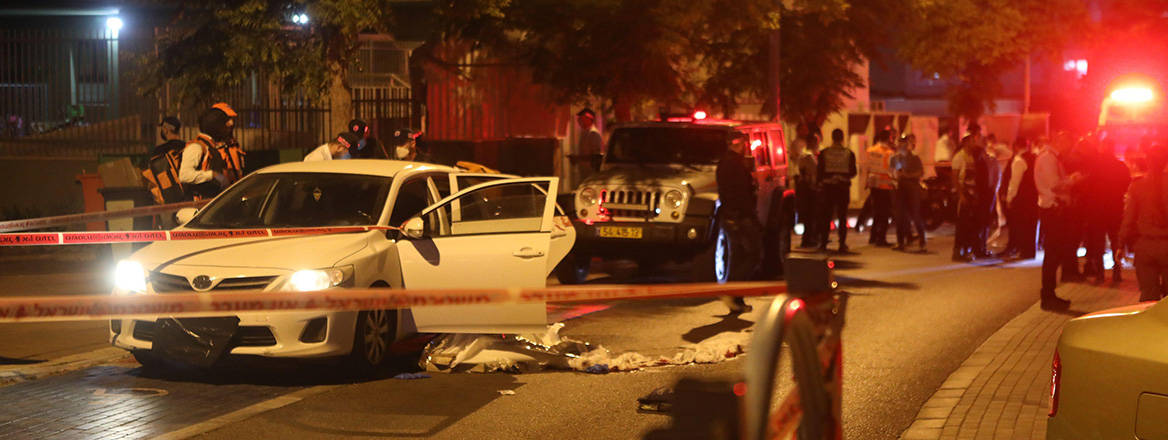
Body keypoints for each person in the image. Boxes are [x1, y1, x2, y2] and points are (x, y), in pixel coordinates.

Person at [1035, 133, 1085, 310]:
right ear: (1059, 141)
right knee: (1052, 255)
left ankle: (1049, 294)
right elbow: (1055, 185)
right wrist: (1073, 180)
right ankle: (1048, 296)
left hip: (1054, 210)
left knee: (1054, 254)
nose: (1069, 148)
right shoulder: (1048, 158)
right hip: (1053, 210)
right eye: (1068, 143)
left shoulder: (1050, 157)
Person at [717, 134, 762, 313]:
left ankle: (736, 300)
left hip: (731, 215)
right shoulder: (734, 164)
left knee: (738, 255)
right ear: (739, 144)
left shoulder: (726, 162)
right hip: (740, 216)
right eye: (743, 143)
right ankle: (732, 292)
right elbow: (740, 193)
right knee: (753, 254)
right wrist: (750, 215)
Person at [1121, 144, 1168, 301]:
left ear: (1147, 162)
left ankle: (1149, 325)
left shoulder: (1137, 186)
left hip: (1145, 246)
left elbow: (1128, 219)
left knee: (1148, 296)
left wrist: (1120, 244)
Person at [1085, 138, 1132, 283]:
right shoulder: (1120, 166)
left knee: (1098, 242)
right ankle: (1116, 272)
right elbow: (1127, 184)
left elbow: (1088, 185)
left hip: (1097, 208)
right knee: (1115, 241)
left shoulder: (1094, 166)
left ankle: (1100, 274)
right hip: (1114, 208)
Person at [179, 103, 240, 200]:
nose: (230, 125)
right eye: (224, 124)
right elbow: (184, 175)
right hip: (197, 207)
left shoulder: (211, 146)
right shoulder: (196, 147)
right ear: (215, 127)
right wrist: (212, 175)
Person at [817, 129, 857, 253]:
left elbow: (819, 171)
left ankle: (823, 243)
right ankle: (842, 244)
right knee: (842, 216)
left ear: (832, 137)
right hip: (843, 188)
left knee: (826, 216)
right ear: (842, 138)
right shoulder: (849, 153)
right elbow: (853, 172)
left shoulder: (824, 153)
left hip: (828, 188)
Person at [951, 125, 987, 261]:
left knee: (971, 225)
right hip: (964, 195)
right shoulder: (959, 157)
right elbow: (954, 178)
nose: (974, 143)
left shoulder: (973, 156)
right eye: (971, 141)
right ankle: (957, 252)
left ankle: (967, 250)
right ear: (965, 141)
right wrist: (961, 195)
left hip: (972, 195)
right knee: (962, 225)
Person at [1005, 138, 1039, 259]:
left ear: (1015, 147)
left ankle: (1025, 251)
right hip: (1034, 197)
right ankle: (1030, 251)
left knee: (1023, 225)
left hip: (1023, 198)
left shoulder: (1018, 160)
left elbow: (1014, 182)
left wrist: (1009, 198)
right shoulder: (1034, 157)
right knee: (1032, 225)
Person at [892, 134, 927, 252]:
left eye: (903, 143)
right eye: (899, 143)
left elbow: (921, 173)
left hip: (912, 188)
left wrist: (908, 175)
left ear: (907, 145)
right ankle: (900, 242)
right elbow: (891, 171)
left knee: (915, 215)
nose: (901, 145)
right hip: (900, 189)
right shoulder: (895, 158)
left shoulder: (914, 158)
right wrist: (895, 176)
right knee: (900, 216)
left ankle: (922, 241)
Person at [866, 130, 896, 246]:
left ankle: (873, 237)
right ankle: (881, 239)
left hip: (873, 184)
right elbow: (892, 170)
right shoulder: (889, 153)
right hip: (884, 185)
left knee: (877, 212)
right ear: (888, 138)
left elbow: (867, 167)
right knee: (884, 213)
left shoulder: (870, 150)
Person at [793, 132, 820, 248]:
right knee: (810, 215)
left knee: (810, 216)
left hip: (808, 189)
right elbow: (809, 173)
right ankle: (808, 239)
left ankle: (809, 238)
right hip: (809, 189)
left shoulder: (807, 155)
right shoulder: (807, 156)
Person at [571, 108, 604, 184]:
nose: (579, 122)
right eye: (579, 119)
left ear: (588, 119)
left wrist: (578, 158)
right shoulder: (584, 133)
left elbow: (595, 157)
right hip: (584, 173)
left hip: (591, 174)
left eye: (581, 119)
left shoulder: (593, 134)